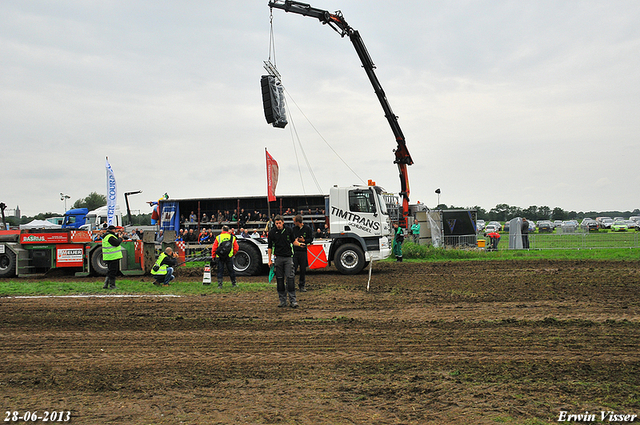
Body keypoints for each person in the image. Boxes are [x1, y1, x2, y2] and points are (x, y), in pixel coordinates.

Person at [268, 215, 303, 308]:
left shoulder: (289, 230)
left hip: (288, 258)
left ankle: (293, 300)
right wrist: (269, 260)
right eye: (276, 223)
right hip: (278, 258)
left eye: (279, 223)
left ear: (283, 222)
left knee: (290, 279)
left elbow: (293, 241)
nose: (278, 225)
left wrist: (299, 244)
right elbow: (270, 247)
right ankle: (282, 300)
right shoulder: (272, 233)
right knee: (280, 280)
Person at [292, 214, 314, 292]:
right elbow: (291, 239)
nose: (294, 223)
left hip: (303, 252)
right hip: (295, 251)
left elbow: (311, 239)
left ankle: (302, 285)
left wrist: (304, 241)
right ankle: (291, 285)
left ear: (298, 222)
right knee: (293, 269)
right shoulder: (294, 229)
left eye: (295, 222)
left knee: (302, 270)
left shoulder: (307, 229)